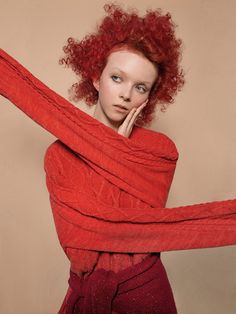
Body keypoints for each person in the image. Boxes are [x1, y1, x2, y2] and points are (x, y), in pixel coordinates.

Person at [0, 3, 235, 314]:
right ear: (96, 78)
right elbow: (83, 253)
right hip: (87, 295)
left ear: (149, 97)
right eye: (117, 78)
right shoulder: (58, 156)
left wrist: (118, 148)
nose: (126, 95)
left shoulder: (159, 151)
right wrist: (115, 150)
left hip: (147, 293)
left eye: (140, 87)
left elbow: (128, 233)